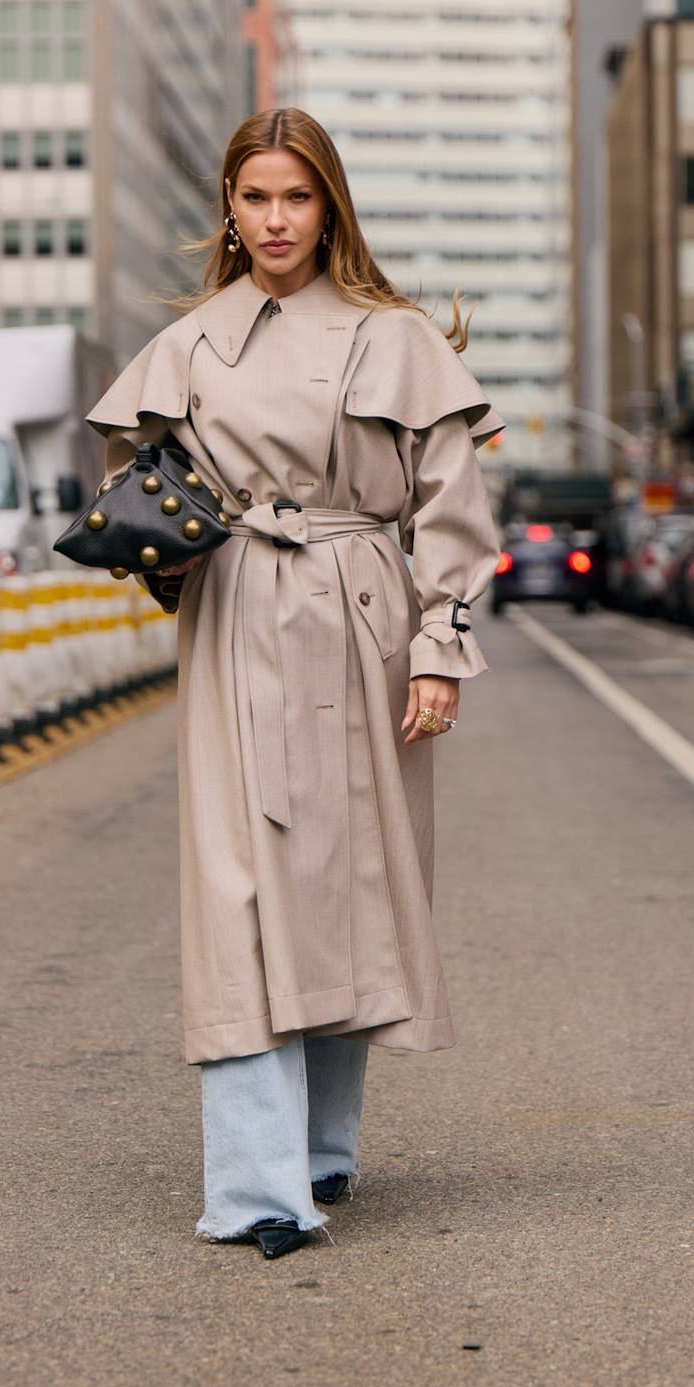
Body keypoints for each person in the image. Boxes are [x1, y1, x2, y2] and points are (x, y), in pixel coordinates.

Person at [86, 108, 504, 1259]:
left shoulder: (396, 337)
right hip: (237, 616)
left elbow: (455, 516)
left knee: (346, 875)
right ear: (228, 204)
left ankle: (323, 1146)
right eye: (255, 195)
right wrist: (165, 561)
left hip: (363, 613)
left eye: (297, 196)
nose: (275, 219)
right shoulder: (189, 344)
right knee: (240, 889)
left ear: (331, 206)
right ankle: (259, 1188)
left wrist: (438, 650)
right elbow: (141, 489)